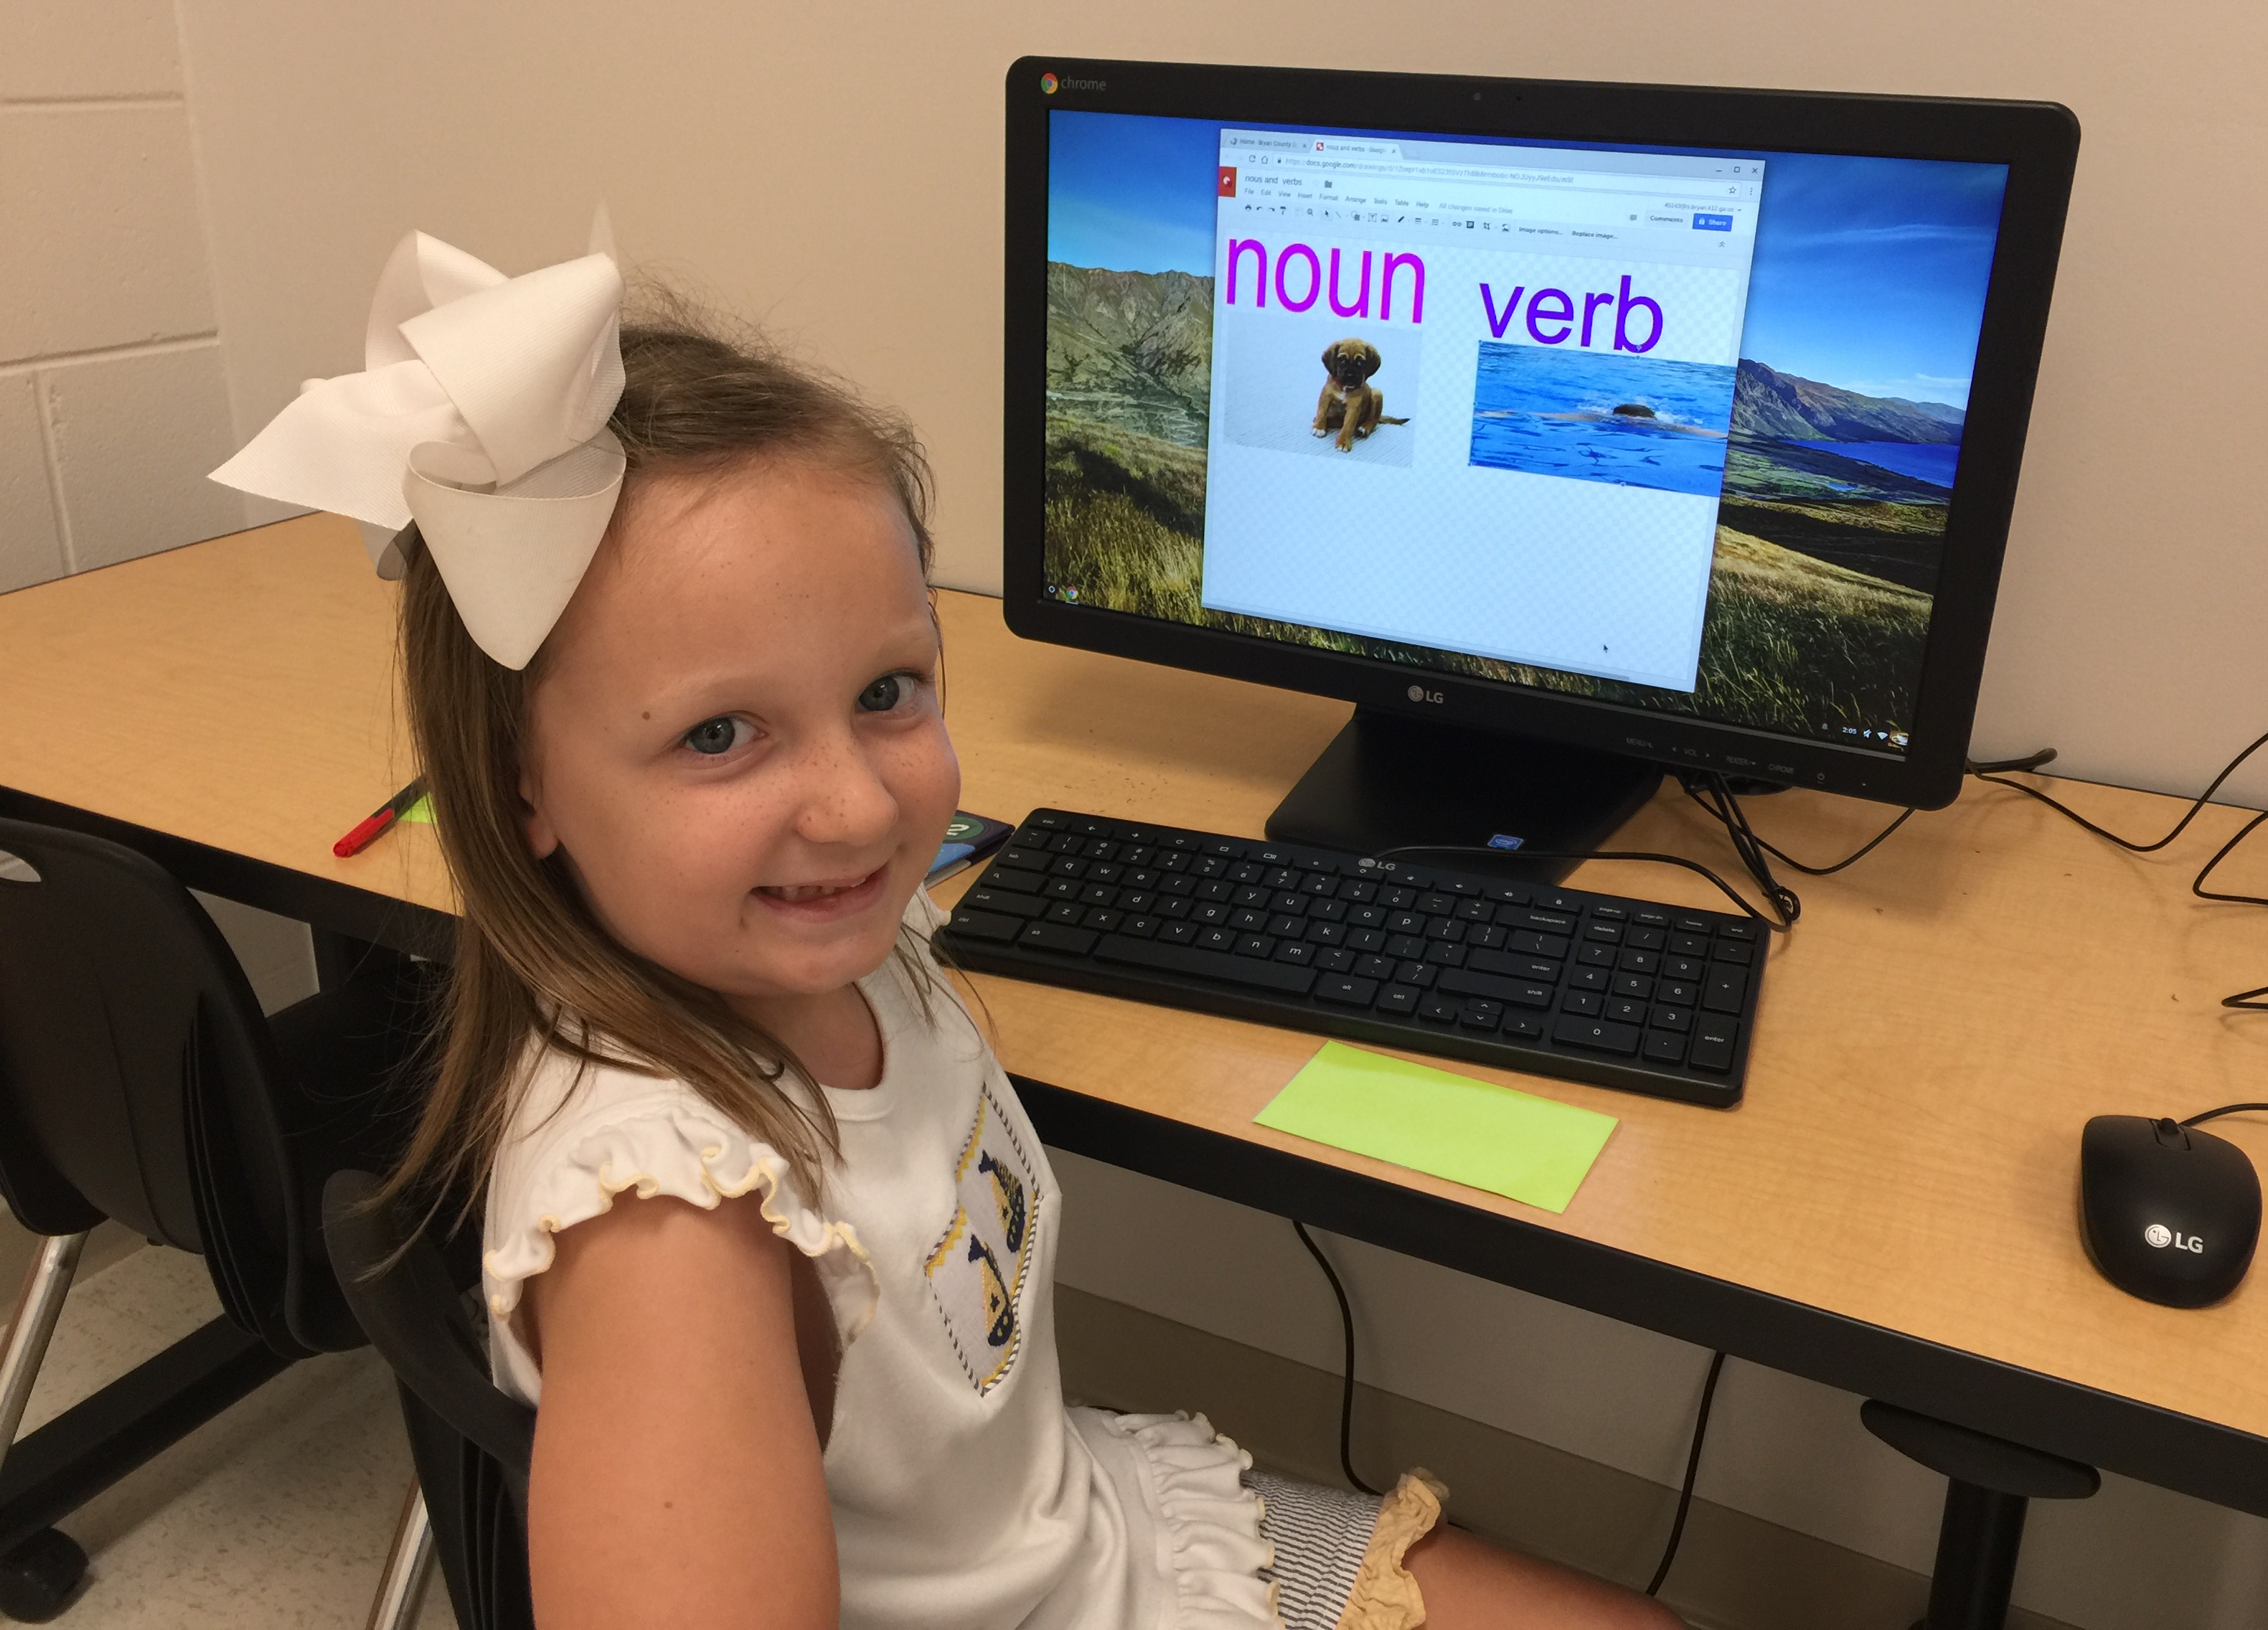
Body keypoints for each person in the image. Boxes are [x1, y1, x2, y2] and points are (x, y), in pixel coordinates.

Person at [215, 231, 1682, 1630]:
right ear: (520, 783)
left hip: (1076, 1529)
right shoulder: (677, 1241)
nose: (857, 810)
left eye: (888, 690)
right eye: (722, 734)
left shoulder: (838, 933)